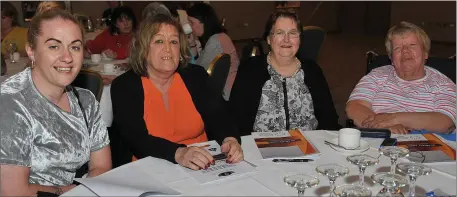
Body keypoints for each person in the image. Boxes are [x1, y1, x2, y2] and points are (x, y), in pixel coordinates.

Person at [0, 9, 111, 196]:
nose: (67, 57)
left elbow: (101, 167)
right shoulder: (11, 102)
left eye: (75, 47)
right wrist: (69, 191)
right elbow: (12, 191)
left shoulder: (85, 101)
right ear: (31, 51)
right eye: (54, 46)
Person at [110, 14, 243, 170]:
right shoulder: (124, 86)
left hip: (204, 166)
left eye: (173, 41)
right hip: (149, 168)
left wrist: (230, 138)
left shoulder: (195, 76)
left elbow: (220, 114)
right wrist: (179, 153)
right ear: (143, 49)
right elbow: (136, 139)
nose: (168, 48)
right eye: (159, 41)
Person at [230, 11, 341, 136]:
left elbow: (329, 119)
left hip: (309, 147)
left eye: (293, 33)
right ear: (268, 39)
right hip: (261, 148)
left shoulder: (312, 71)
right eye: (279, 33)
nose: (287, 39)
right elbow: (234, 119)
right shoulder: (250, 69)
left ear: (300, 38)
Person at [346, 21, 456, 134]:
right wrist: (382, 129)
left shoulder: (443, 84)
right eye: (397, 48)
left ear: (425, 53)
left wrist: (394, 119)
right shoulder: (377, 76)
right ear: (391, 58)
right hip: (377, 143)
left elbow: (446, 122)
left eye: (412, 45)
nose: (405, 51)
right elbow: (355, 106)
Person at [187, 3, 239, 101]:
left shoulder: (215, 41)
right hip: (229, 91)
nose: (190, 27)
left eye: (191, 22)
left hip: (226, 95)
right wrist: (192, 44)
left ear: (203, 21)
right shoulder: (219, 37)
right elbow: (198, 63)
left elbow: (197, 71)